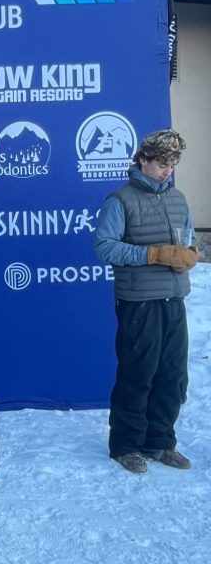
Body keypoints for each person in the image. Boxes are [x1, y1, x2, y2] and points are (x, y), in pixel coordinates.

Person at [94, 128, 198, 474]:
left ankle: (161, 441)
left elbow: (189, 239)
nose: (167, 170)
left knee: (172, 375)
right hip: (139, 301)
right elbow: (104, 246)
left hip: (174, 298)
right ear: (142, 160)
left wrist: (191, 254)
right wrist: (152, 254)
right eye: (161, 163)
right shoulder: (120, 199)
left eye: (172, 164)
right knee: (139, 374)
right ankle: (126, 445)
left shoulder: (178, 198)